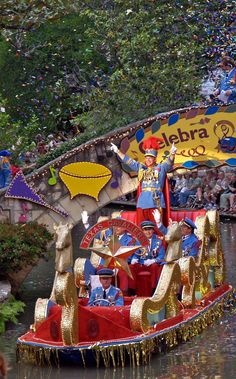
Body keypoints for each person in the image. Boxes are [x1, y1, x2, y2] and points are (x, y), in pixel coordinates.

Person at [111, 137, 177, 225]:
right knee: (142, 228)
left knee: (157, 228)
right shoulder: (141, 168)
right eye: (146, 157)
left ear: (155, 159)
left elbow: (169, 162)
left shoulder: (161, 168)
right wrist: (118, 151)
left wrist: (172, 154)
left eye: (150, 158)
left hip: (155, 203)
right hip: (142, 203)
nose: (148, 159)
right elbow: (129, 161)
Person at [129, 220, 166, 294]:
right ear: (142, 231)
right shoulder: (137, 240)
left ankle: (154, 289)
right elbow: (136, 253)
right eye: (145, 230)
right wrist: (134, 258)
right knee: (131, 267)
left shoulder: (158, 241)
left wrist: (154, 261)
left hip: (152, 264)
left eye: (150, 229)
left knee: (155, 266)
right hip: (141, 263)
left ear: (153, 230)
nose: (148, 232)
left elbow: (162, 255)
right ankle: (132, 290)